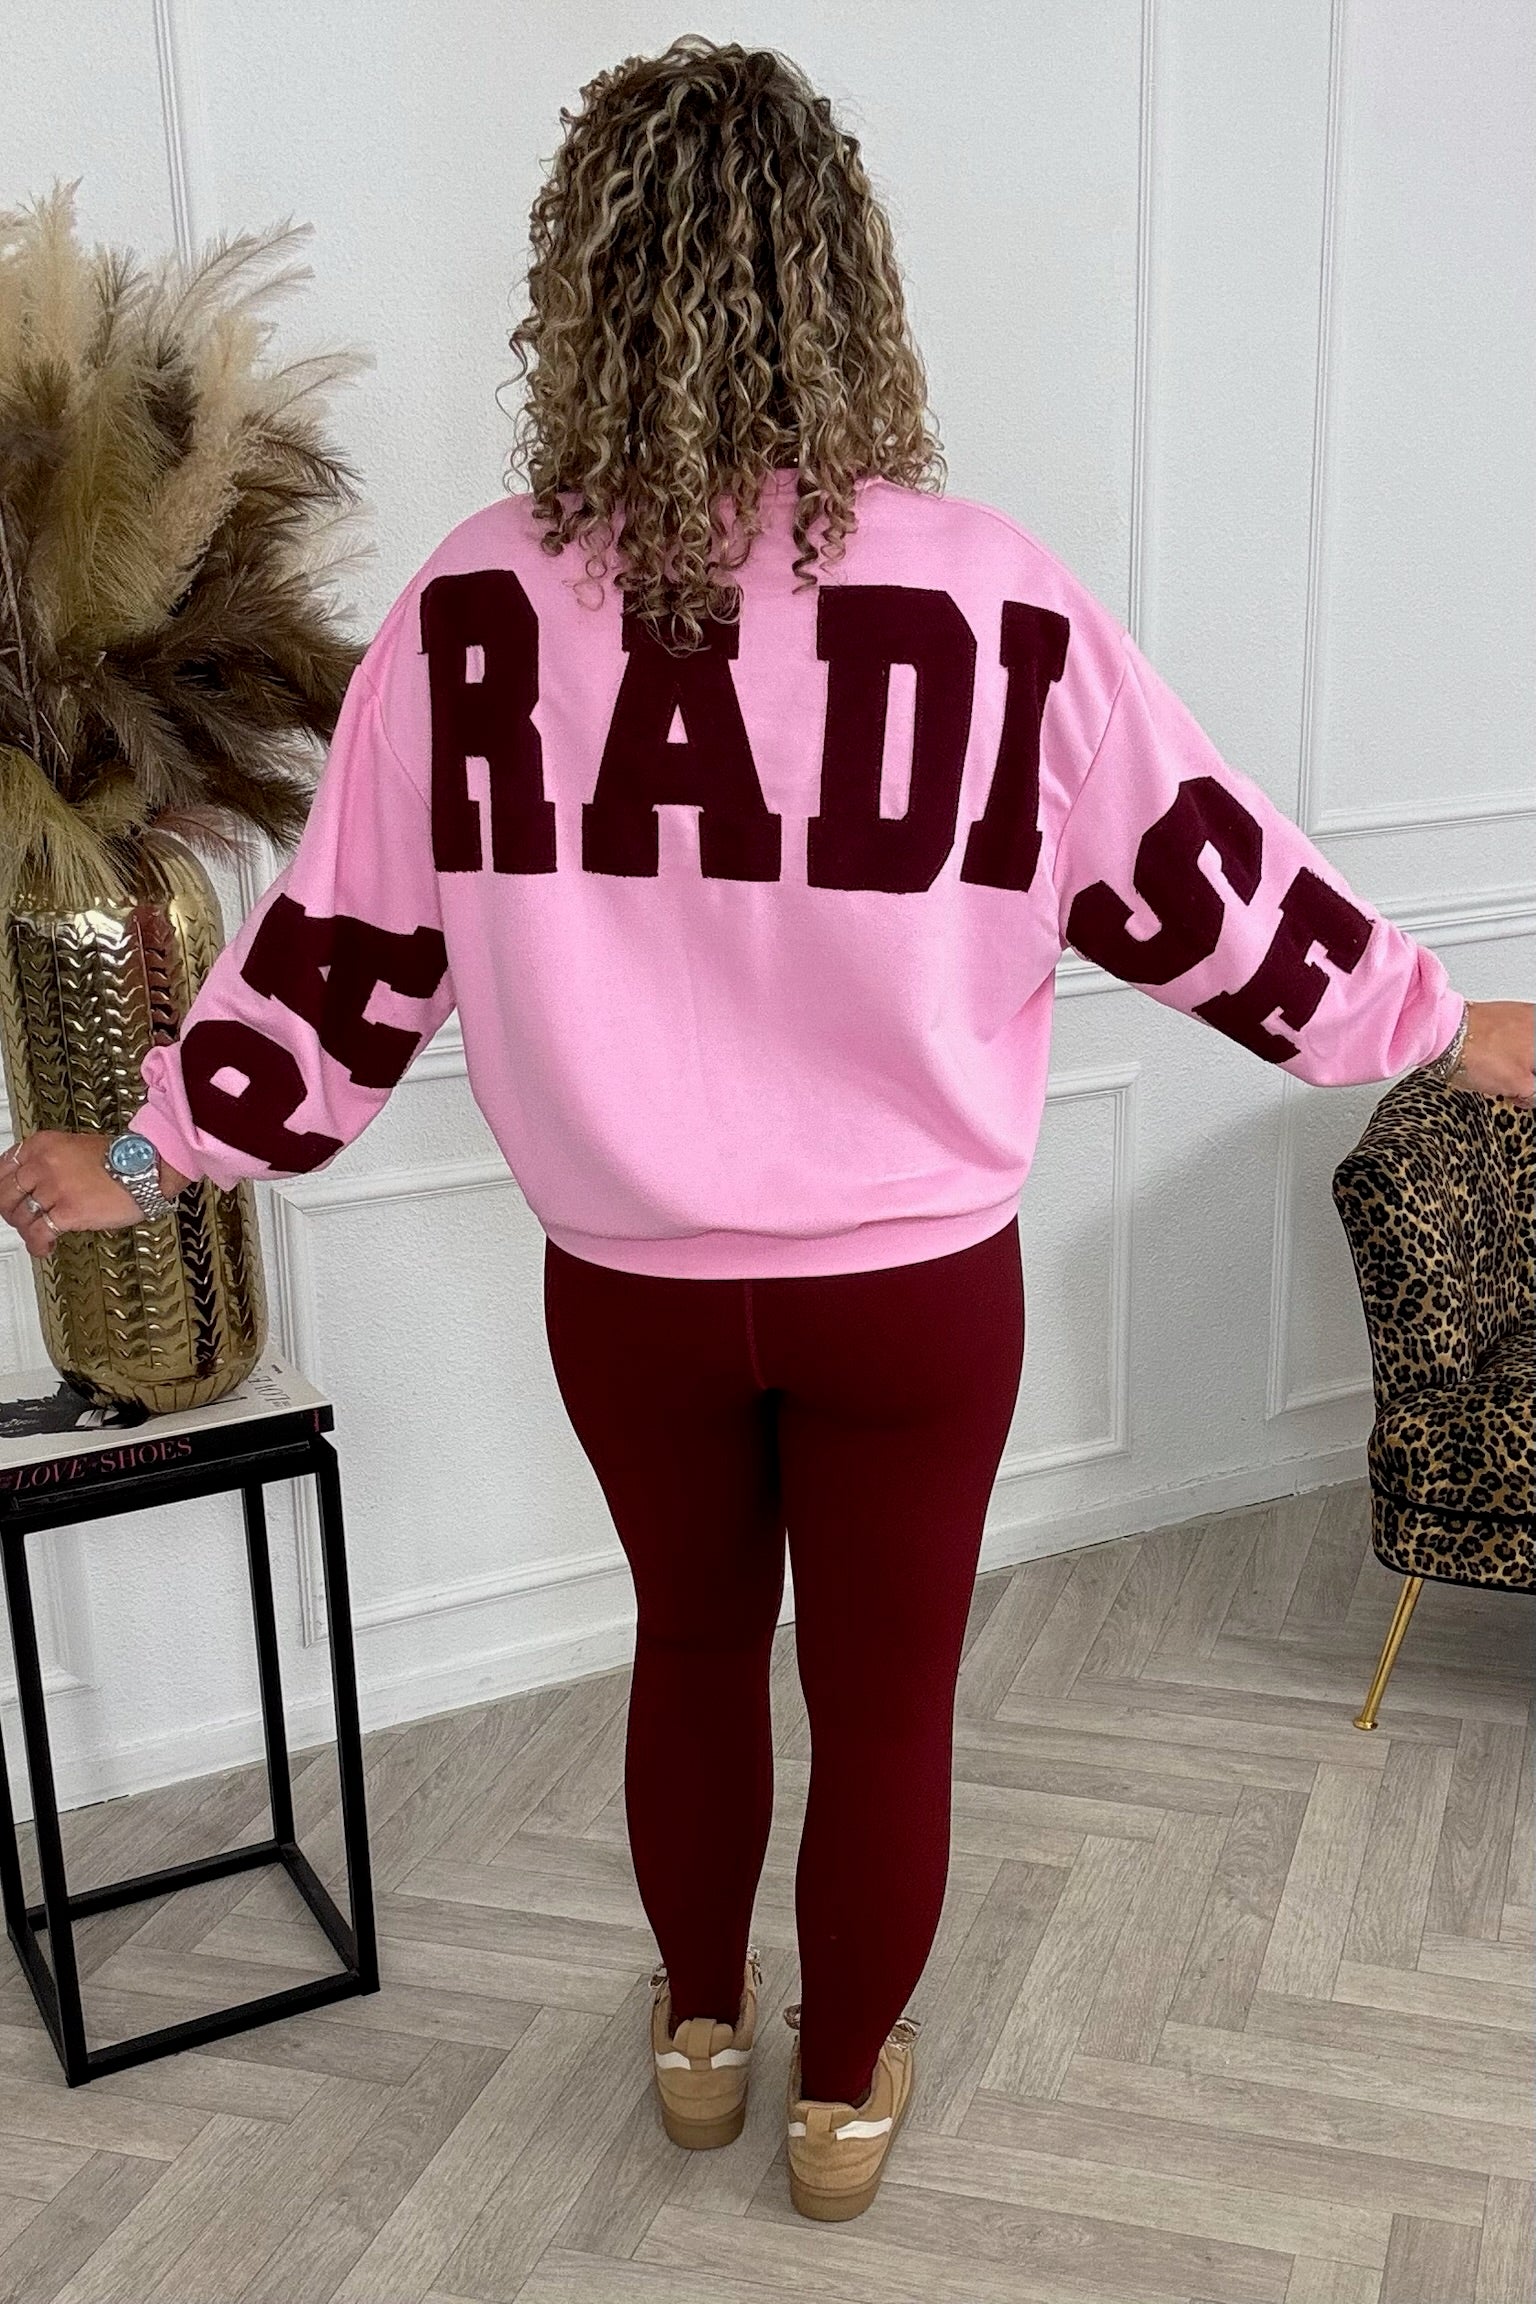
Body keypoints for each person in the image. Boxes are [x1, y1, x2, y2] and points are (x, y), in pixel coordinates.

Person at [3, 35, 1532, 2222]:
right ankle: (845, 2107)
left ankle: (705, 2036)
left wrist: (145, 1156)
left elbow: (337, 967)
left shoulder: (474, 611)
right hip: (914, 1289)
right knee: (886, 1702)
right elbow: (1202, 887)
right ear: (850, 287)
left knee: (698, 1649)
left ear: (579, 292)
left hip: (632, 1295)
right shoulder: (993, 599)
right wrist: (1443, 1022)